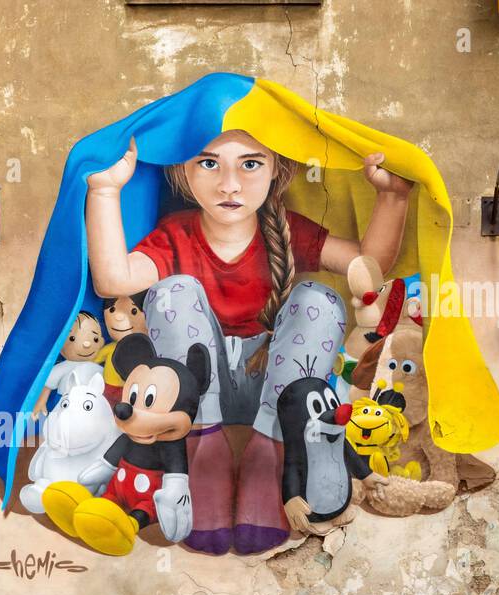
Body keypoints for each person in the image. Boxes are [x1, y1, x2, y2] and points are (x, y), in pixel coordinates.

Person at [85, 130, 411, 554]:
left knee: (320, 300)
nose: (229, 184)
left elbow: (370, 267)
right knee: (171, 293)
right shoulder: (177, 235)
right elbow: (114, 280)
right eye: (208, 163)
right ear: (183, 171)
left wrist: (393, 198)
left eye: (250, 164)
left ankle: (267, 456)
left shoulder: (287, 231)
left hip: (274, 392)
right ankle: (207, 455)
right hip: (200, 396)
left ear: (279, 169)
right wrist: (105, 190)